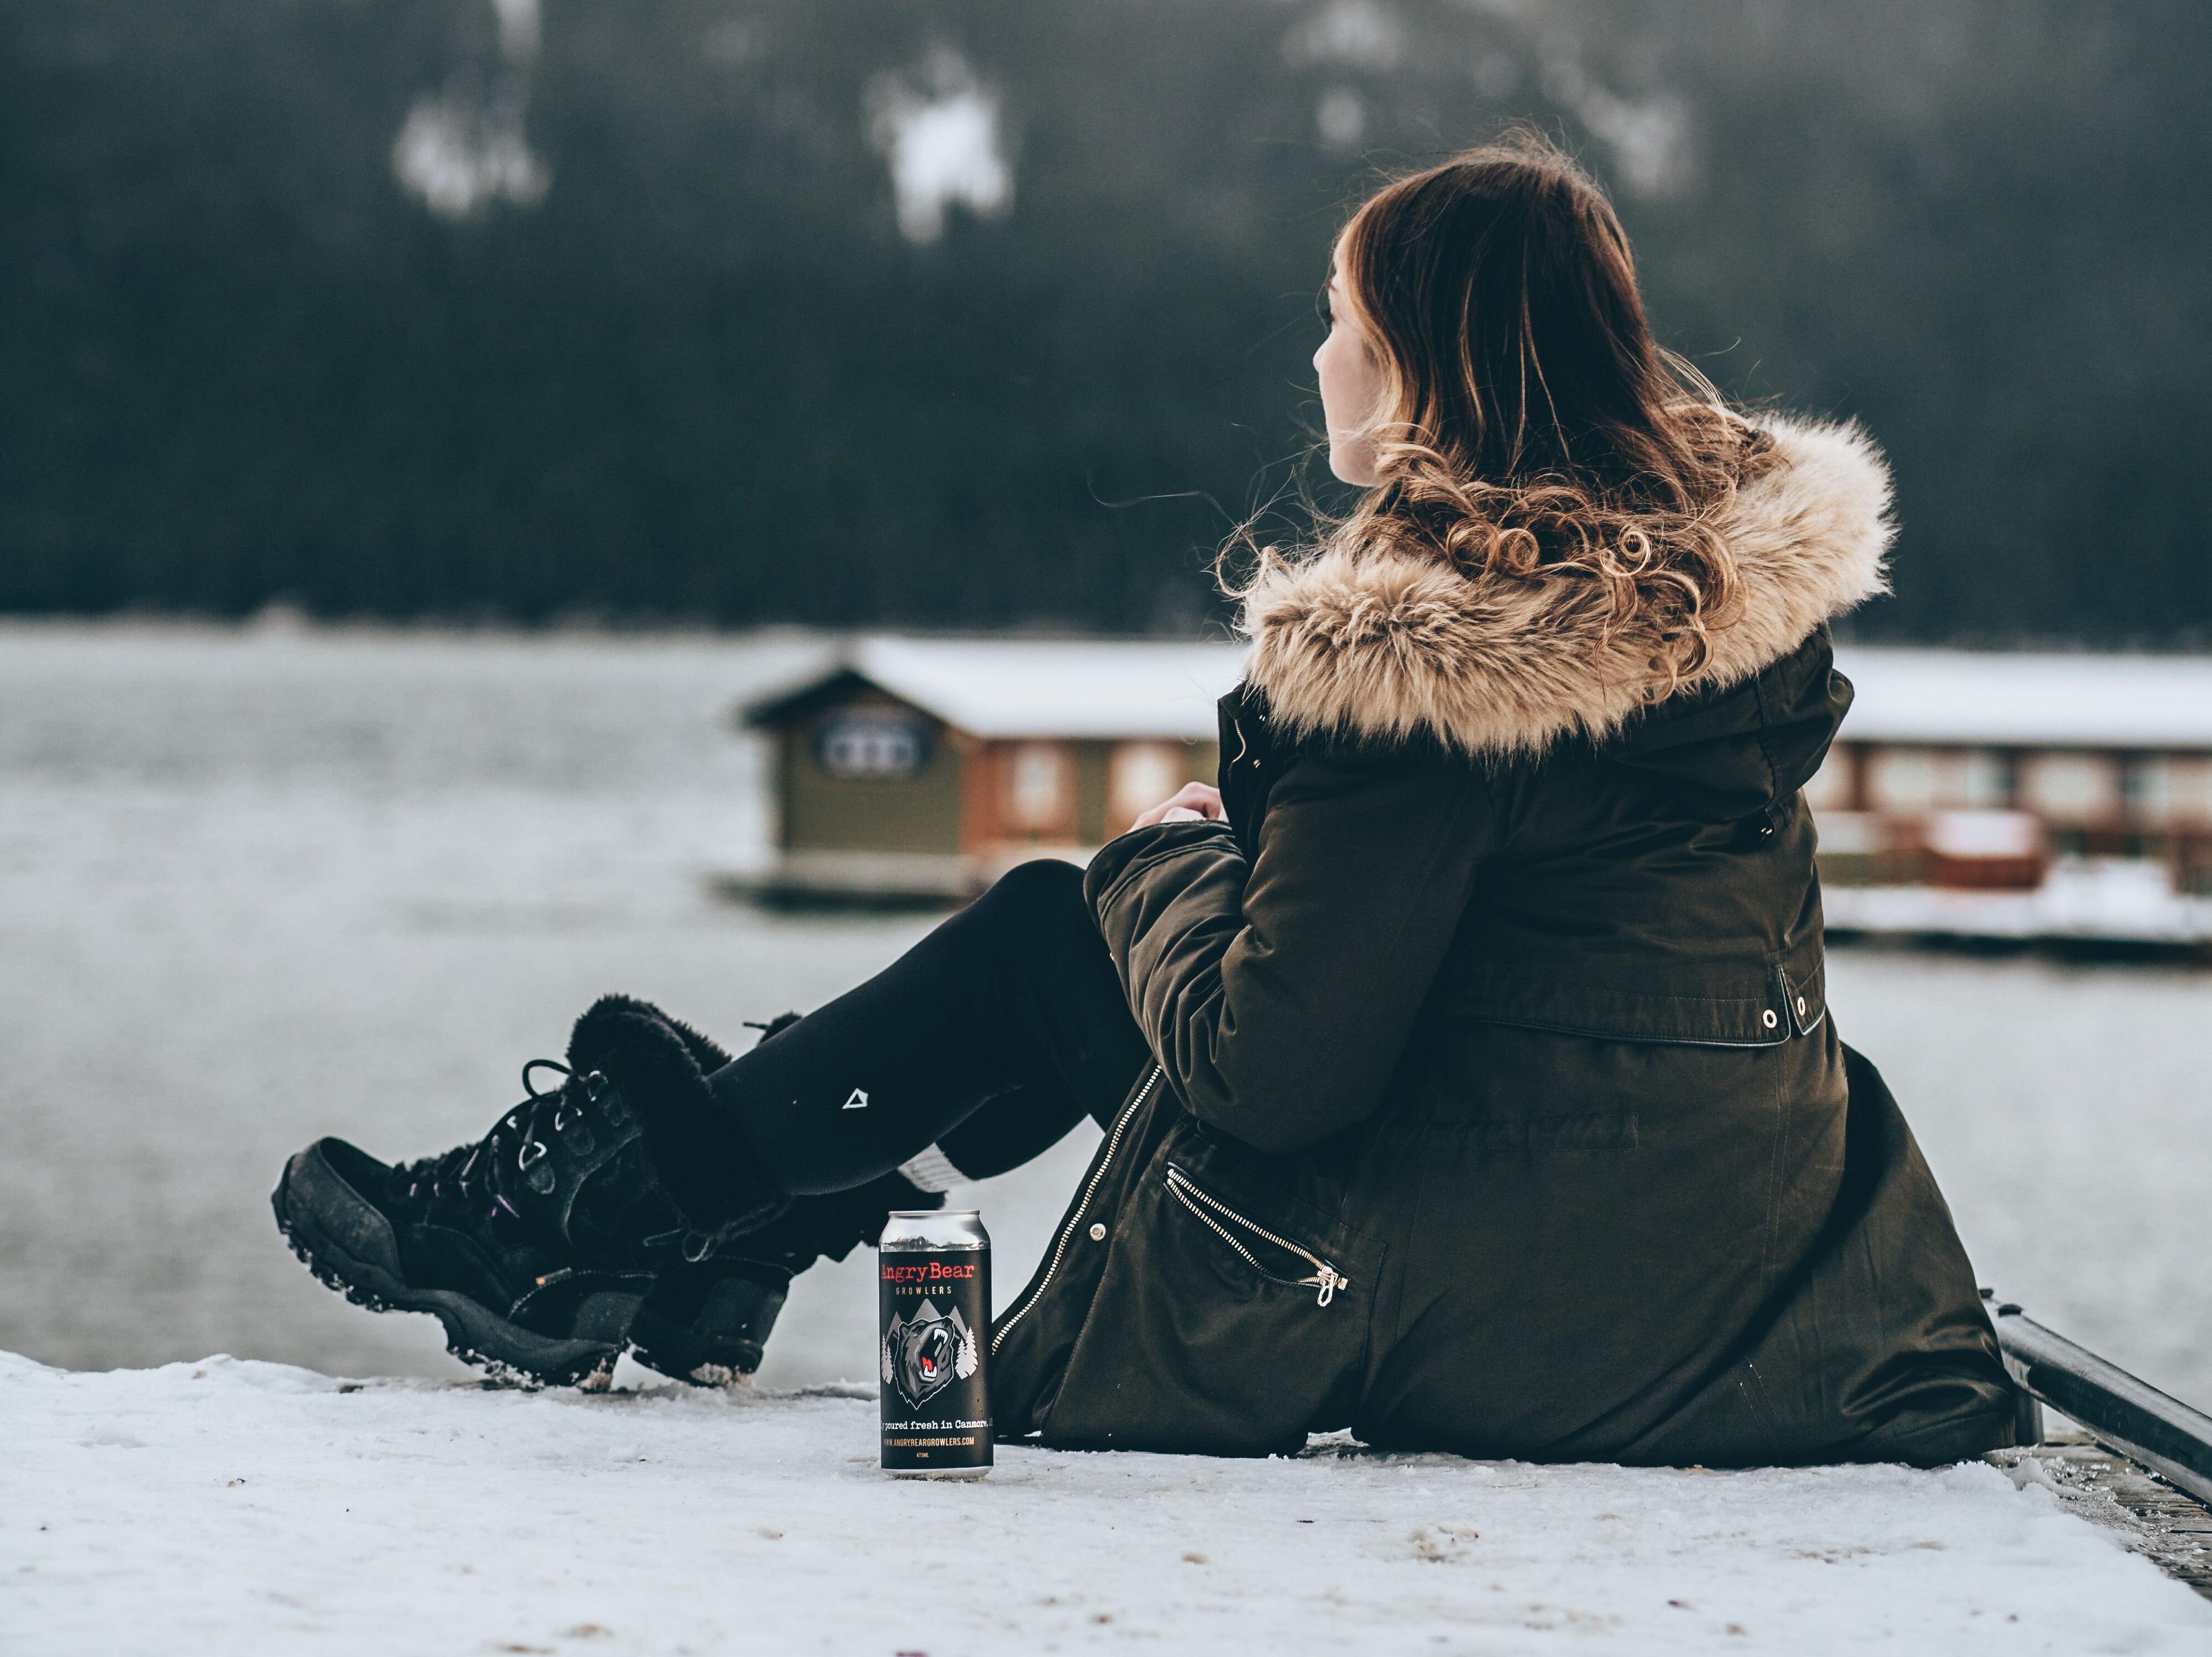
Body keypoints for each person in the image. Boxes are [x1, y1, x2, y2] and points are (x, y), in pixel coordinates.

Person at [275, 138, 2014, 1462]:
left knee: (1073, 917)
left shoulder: (1433, 661)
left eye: (1343, 324)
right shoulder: (1703, 609)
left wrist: (1168, 866)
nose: (1320, 360)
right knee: (1075, 932)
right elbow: (1521, 935)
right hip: (1741, 1245)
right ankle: (693, 1222)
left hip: (1532, 1294)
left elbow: (1276, 1075)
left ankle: (601, 1227)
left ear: (1417, 365)